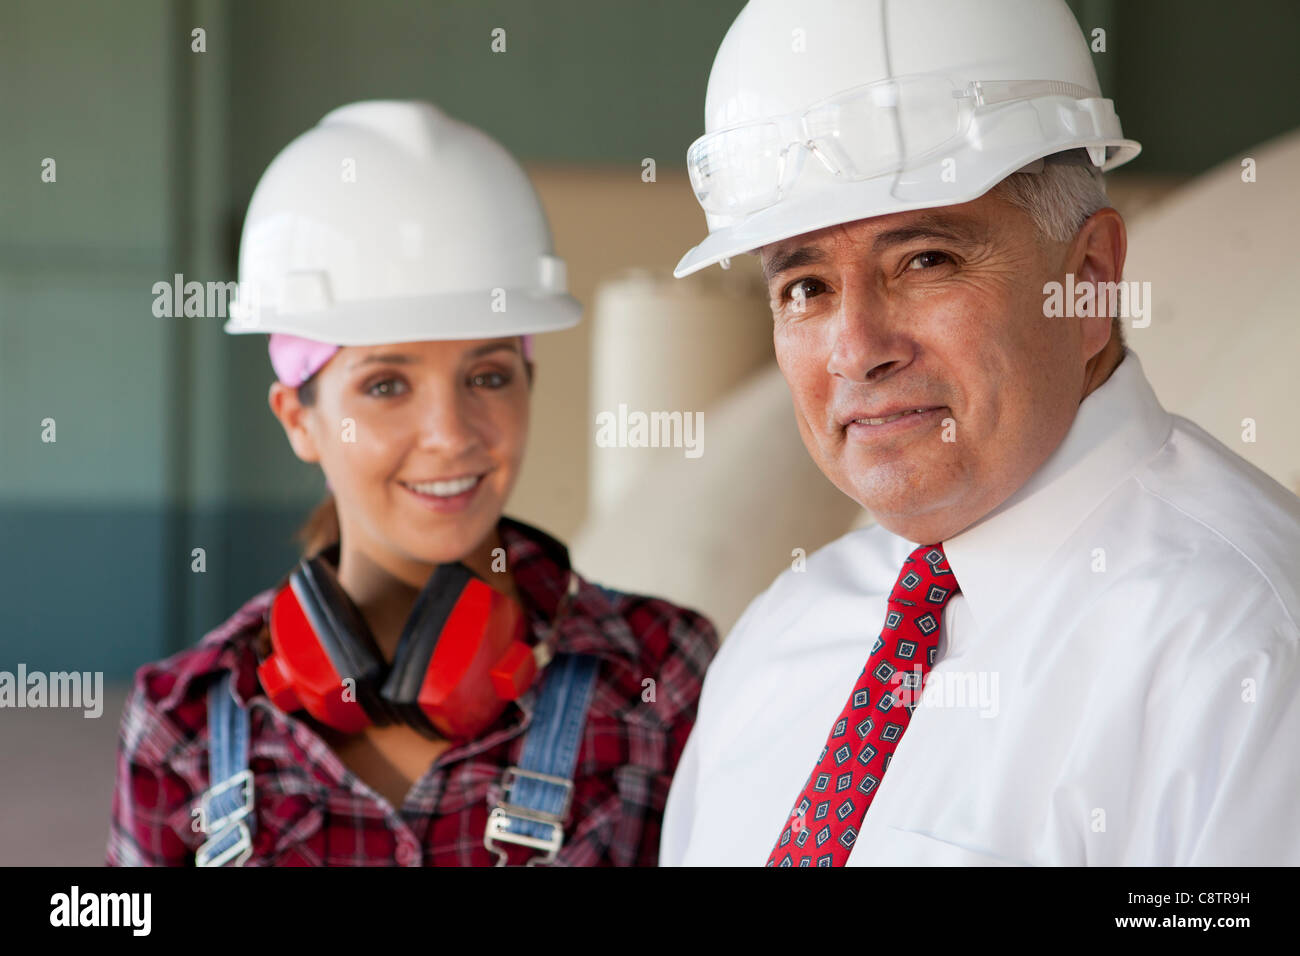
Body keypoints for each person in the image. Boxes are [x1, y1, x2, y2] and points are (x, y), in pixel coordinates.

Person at [660, 0, 1300, 866]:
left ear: (1089, 278)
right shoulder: (781, 638)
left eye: (925, 261)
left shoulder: (1250, 649)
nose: (856, 351)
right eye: (805, 286)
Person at [106, 99, 718, 867]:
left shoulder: (658, 671)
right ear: (299, 417)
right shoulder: (187, 721)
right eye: (388, 385)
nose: (453, 433)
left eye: (488, 375)